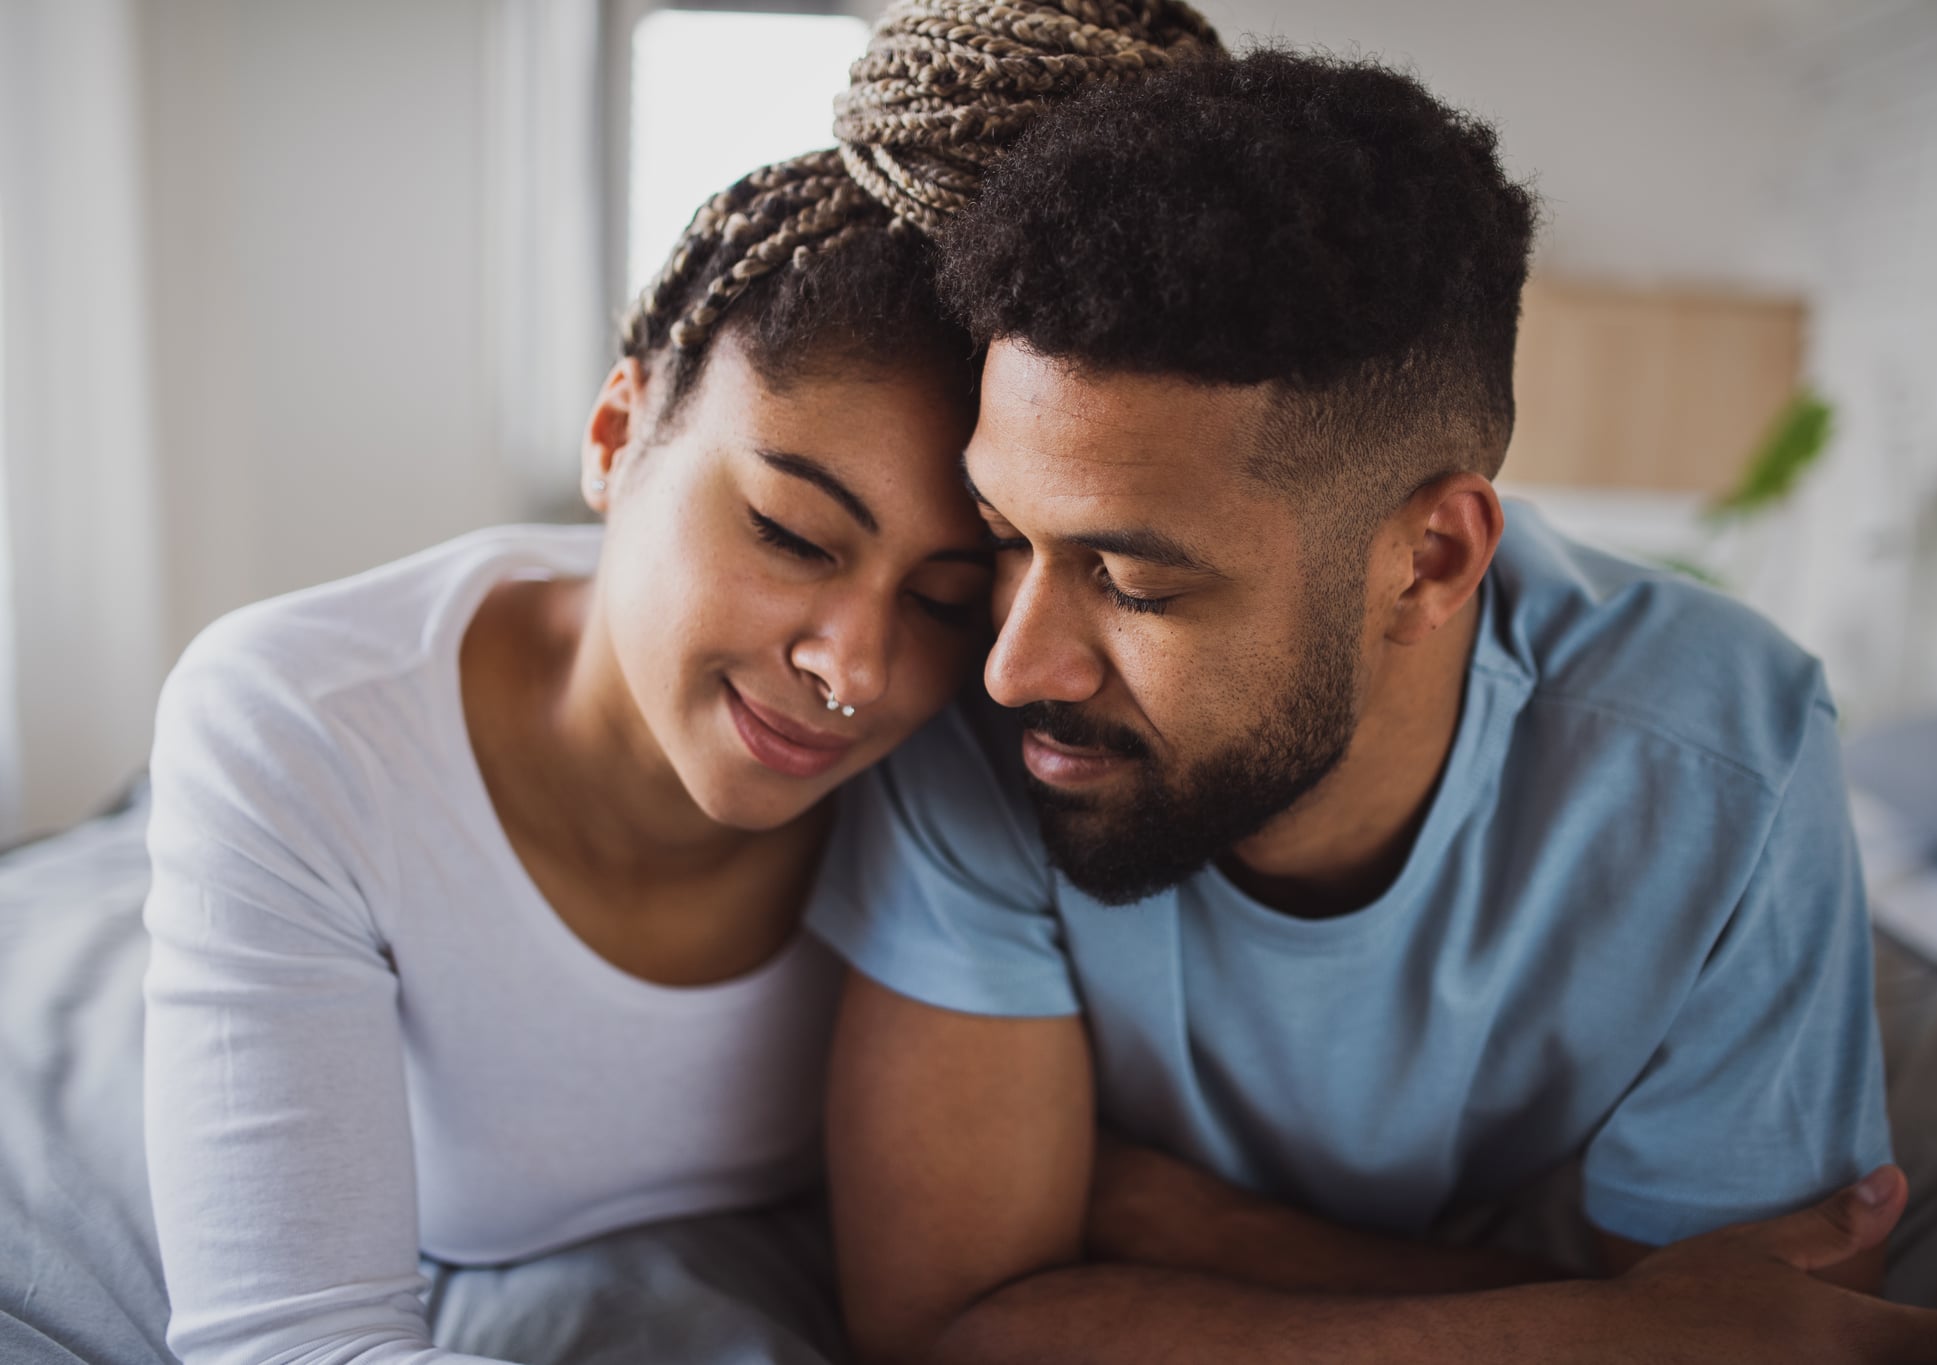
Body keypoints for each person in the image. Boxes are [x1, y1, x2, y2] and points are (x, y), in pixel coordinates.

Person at [811, 50, 1937, 1365]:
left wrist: (1196, 1226)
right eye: (1005, 533)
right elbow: (947, 1322)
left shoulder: (1725, 756)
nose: (1016, 663)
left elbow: (1777, 1337)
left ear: (1428, 560)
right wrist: (1587, 1326)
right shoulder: (983, 712)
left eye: (1133, 580)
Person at [136, 5, 1222, 1363]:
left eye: (947, 599)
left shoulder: (994, 743)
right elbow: (285, 1342)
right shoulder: (300, 722)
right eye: (788, 534)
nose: (853, 669)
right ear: (614, 430)